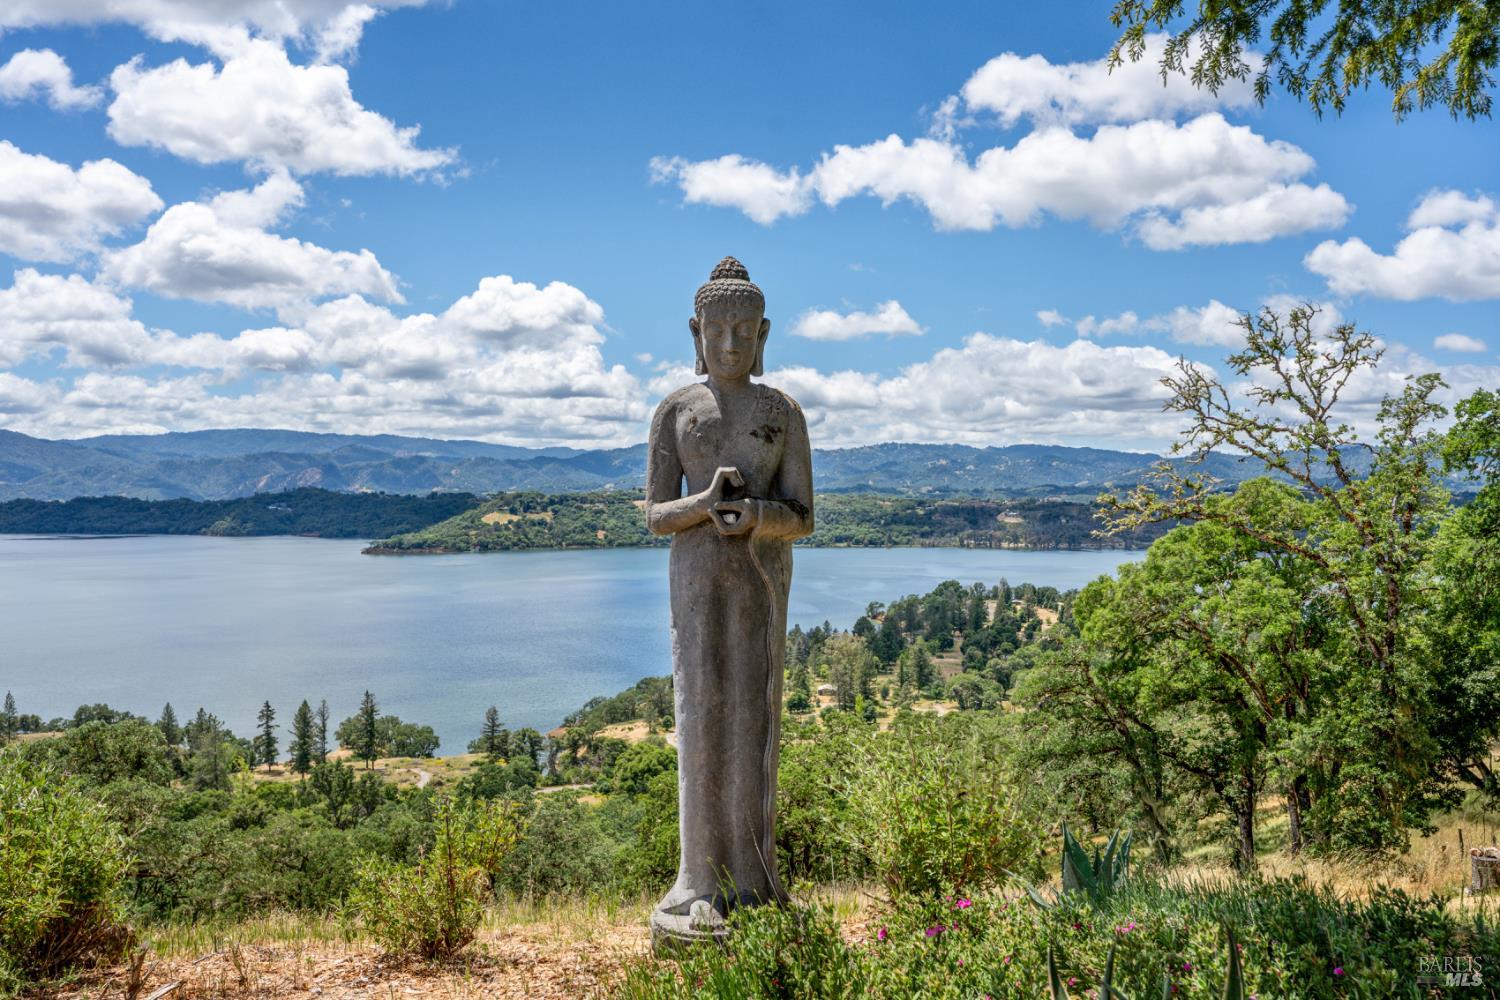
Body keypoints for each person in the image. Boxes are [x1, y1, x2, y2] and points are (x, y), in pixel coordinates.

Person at [644, 256, 814, 949]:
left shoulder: (781, 412)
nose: (732, 345)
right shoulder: (677, 411)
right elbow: (655, 514)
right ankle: (697, 881)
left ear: (764, 331)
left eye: (746, 331)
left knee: (755, 720)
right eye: (719, 331)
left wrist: (759, 519)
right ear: (696, 331)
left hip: (761, 579)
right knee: (699, 719)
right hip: (696, 579)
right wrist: (704, 504)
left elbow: (803, 513)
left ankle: (754, 878)